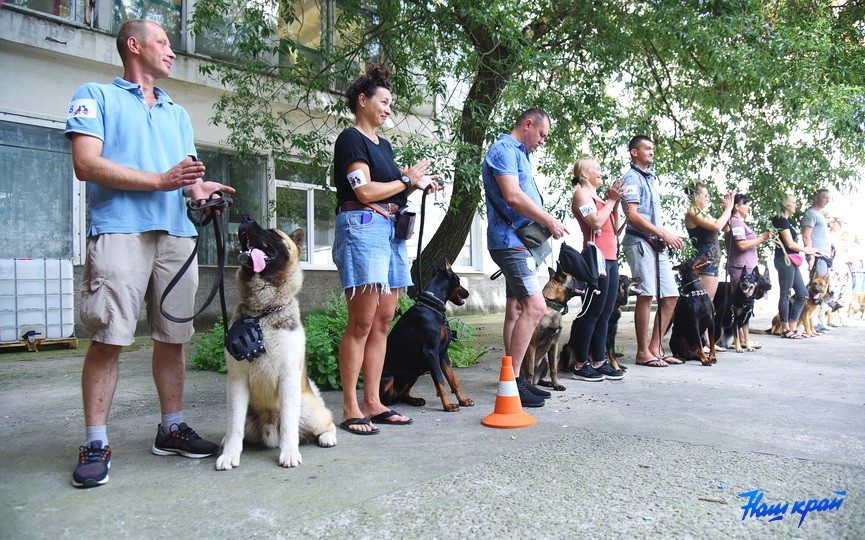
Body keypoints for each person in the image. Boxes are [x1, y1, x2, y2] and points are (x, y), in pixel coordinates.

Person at [65, 19, 235, 488]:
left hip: (176, 235)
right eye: (163, 41)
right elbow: (86, 164)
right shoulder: (95, 95)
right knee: (110, 336)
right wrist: (162, 181)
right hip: (120, 230)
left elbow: (181, 176)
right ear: (134, 46)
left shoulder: (177, 113)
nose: (172, 50)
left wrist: (201, 191)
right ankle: (96, 440)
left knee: (174, 336)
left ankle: (171, 428)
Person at [331, 65, 443, 435]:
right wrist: (405, 179)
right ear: (362, 101)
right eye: (383, 101)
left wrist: (418, 185)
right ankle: (350, 406)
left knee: (383, 320)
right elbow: (363, 192)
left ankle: (374, 402)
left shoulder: (385, 146)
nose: (388, 109)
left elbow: (392, 189)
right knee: (361, 322)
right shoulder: (351, 139)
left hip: (392, 233)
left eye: (391, 103)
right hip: (362, 228)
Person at [483, 108, 568, 407]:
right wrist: (550, 220)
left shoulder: (519, 154)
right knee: (536, 307)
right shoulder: (504, 150)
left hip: (518, 242)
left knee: (517, 310)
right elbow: (513, 197)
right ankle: (517, 381)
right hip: (510, 243)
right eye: (542, 134)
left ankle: (514, 378)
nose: (542, 141)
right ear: (528, 124)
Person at [621, 136, 684, 367]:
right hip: (639, 242)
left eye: (652, 148)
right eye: (646, 148)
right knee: (646, 294)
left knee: (671, 295)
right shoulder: (631, 178)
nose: (651, 152)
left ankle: (655, 347)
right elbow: (633, 215)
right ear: (634, 152)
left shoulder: (651, 178)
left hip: (656, 244)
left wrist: (666, 235)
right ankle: (642, 352)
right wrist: (663, 233)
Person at [567, 157, 626, 381]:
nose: (602, 172)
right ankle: (581, 364)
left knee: (605, 312)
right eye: (597, 169)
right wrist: (611, 201)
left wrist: (615, 203)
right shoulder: (581, 194)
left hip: (610, 259)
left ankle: (599, 360)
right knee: (591, 312)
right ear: (584, 174)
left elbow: (615, 226)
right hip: (595, 260)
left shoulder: (600, 198)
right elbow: (595, 222)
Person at [724, 193, 773, 346]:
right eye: (746, 204)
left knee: (745, 304)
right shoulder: (736, 222)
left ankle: (744, 339)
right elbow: (742, 245)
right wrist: (762, 238)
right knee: (739, 304)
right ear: (737, 206)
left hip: (744, 267)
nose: (749, 207)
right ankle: (740, 340)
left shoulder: (736, 222)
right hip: (740, 268)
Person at [771, 193, 817, 339]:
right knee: (785, 293)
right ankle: (785, 328)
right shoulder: (779, 220)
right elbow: (790, 244)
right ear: (786, 204)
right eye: (794, 202)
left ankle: (792, 326)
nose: (796, 205)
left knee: (802, 294)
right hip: (784, 260)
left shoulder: (786, 222)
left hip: (791, 260)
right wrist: (807, 250)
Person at [684, 182, 734, 300]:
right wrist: (729, 208)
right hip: (704, 260)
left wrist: (726, 211)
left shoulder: (704, 214)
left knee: (709, 302)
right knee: (704, 301)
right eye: (705, 195)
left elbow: (725, 227)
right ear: (696, 196)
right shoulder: (692, 213)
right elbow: (717, 226)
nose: (708, 198)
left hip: (713, 261)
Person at [801, 188, 831, 332]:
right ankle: (811, 326)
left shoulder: (820, 215)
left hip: (825, 257)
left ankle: (816, 323)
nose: (827, 200)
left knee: (822, 292)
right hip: (818, 256)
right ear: (816, 197)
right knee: (815, 290)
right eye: (824, 197)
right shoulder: (811, 213)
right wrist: (811, 257)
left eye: (828, 197)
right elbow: (806, 236)